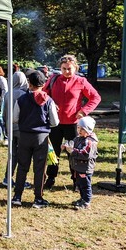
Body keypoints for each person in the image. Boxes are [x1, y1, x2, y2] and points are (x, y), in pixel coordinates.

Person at [42, 55, 101, 191]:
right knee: (53, 152)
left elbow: (95, 97)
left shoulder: (81, 81)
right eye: (64, 69)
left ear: (75, 68)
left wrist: (83, 111)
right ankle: (51, 178)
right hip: (55, 123)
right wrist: (50, 104)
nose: (66, 71)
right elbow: (44, 95)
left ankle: (76, 180)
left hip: (73, 124)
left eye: (69, 69)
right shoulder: (53, 79)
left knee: (74, 153)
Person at [10, 70, 58, 208]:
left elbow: (14, 118)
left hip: (24, 136)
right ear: (43, 84)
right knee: (39, 169)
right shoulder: (49, 101)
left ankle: (17, 196)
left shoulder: (21, 99)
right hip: (41, 137)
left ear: (29, 84)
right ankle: (38, 198)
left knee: (22, 167)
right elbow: (55, 122)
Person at [63, 116, 98, 210]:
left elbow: (85, 154)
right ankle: (82, 198)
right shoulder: (78, 138)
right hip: (78, 167)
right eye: (78, 128)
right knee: (80, 184)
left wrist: (72, 151)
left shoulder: (90, 142)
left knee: (85, 185)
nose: (79, 130)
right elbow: (72, 144)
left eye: (82, 129)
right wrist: (66, 146)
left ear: (88, 129)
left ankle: (86, 202)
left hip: (85, 168)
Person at [1, 70, 29, 187]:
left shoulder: (8, 94)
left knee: (12, 154)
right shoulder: (25, 94)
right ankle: (20, 180)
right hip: (22, 128)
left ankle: (7, 177)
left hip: (10, 127)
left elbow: (4, 113)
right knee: (23, 154)